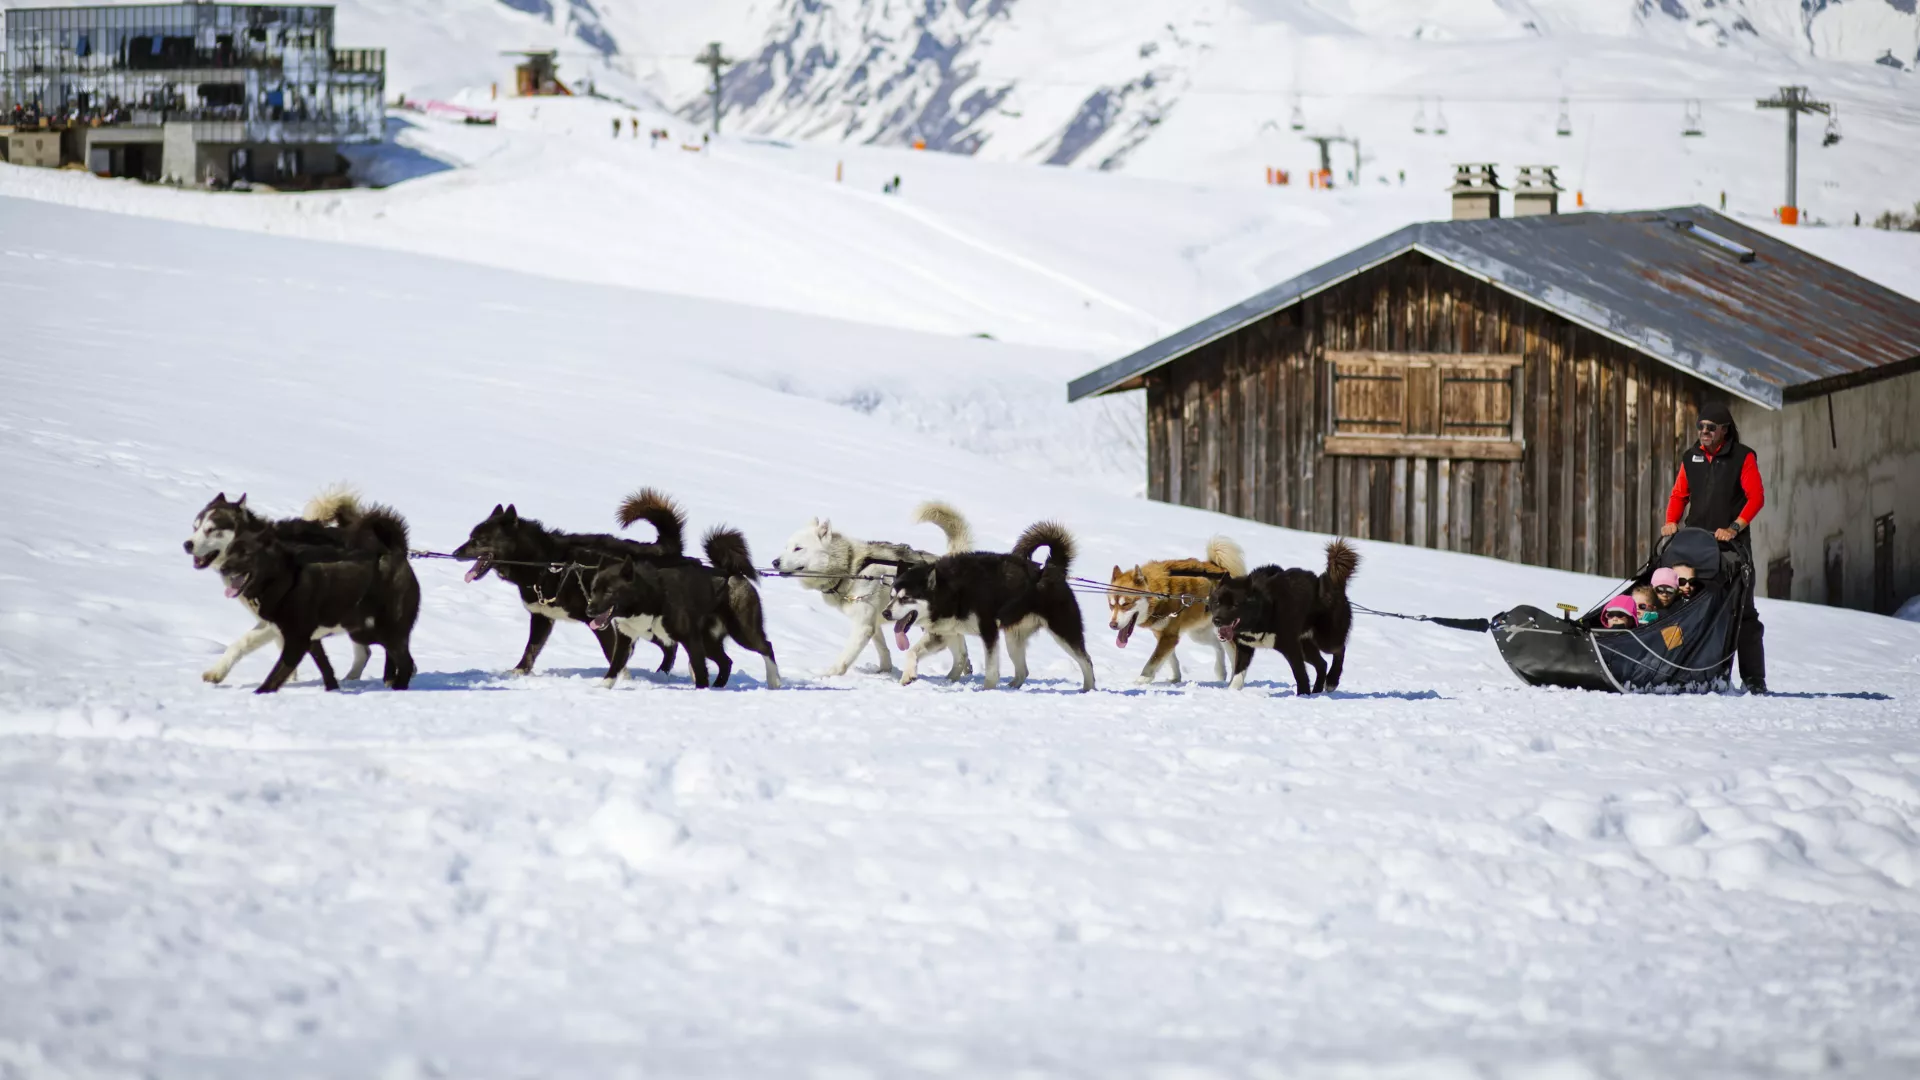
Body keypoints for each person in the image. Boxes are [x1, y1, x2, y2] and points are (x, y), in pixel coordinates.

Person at [1661, 401, 1767, 693]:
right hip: (1696, 543)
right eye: (1700, 427)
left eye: (1710, 428)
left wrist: (1734, 527)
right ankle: (1675, 669)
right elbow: (1679, 494)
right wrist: (1671, 521)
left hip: (1731, 547)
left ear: (1725, 430)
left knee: (1742, 612)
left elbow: (1756, 497)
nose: (1704, 432)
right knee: (1682, 603)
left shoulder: (1743, 457)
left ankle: (1754, 679)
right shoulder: (1691, 456)